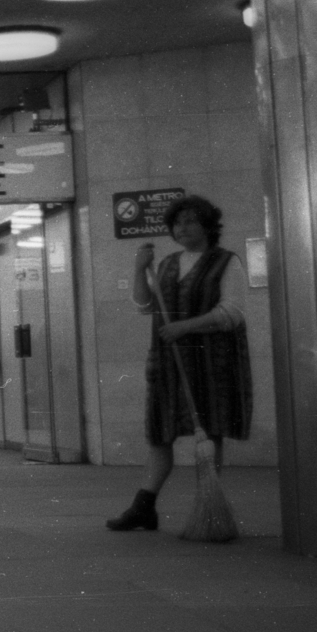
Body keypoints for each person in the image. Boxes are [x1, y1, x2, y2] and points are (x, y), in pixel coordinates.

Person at [107, 194, 253, 531]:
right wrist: (138, 269)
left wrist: (185, 327)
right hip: (169, 364)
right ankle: (144, 507)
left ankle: (207, 502)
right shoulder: (168, 264)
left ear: (207, 226)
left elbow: (233, 311)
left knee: (210, 430)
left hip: (212, 363)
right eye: (176, 223)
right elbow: (144, 306)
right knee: (161, 432)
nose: (181, 228)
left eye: (189, 221)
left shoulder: (226, 262)